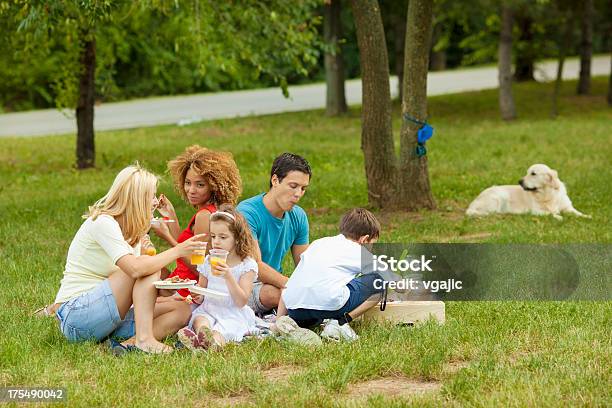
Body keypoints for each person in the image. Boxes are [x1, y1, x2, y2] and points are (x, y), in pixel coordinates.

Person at [52, 164, 207, 353]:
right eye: (151, 196)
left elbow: (149, 285)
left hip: (109, 318)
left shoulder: (132, 233)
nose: (155, 202)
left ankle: (128, 344)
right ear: (137, 199)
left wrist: (167, 288)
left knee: (182, 309)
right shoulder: (103, 222)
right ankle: (145, 339)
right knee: (144, 266)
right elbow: (135, 270)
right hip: (77, 318)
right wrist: (177, 250)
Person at [278, 208, 384, 341]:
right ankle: (340, 323)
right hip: (328, 306)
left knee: (316, 306)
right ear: (365, 239)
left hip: (296, 309)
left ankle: (286, 324)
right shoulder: (358, 250)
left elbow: (291, 282)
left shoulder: (318, 243)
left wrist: (278, 319)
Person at [152, 145, 242, 299]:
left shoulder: (205, 216)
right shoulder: (213, 210)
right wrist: (170, 214)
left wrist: (167, 237)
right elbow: (189, 247)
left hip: (187, 289)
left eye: (200, 185)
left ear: (213, 186)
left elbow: (199, 268)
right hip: (183, 281)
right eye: (188, 183)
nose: (191, 190)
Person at [236, 153, 311, 316]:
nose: (298, 194)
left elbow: (304, 264)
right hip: (242, 286)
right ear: (275, 180)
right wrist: (290, 285)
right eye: (293, 186)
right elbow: (255, 266)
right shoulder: (247, 212)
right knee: (275, 293)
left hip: (275, 283)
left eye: (303, 188)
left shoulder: (298, 216)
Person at [177, 205, 258, 350]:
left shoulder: (246, 265)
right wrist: (196, 294)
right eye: (213, 236)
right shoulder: (208, 261)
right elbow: (202, 292)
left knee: (222, 331)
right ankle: (202, 337)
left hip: (232, 312)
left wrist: (228, 276)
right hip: (209, 308)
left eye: (223, 237)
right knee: (200, 320)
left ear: (238, 238)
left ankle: (212, 344)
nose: (216, 242)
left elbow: (241, 301)